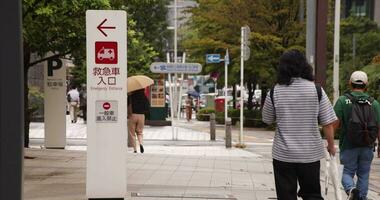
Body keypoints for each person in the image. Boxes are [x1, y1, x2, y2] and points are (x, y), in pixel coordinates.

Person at [262, 50, 337, 200]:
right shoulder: (316, 90)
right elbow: (328, 123)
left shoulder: (274, 91)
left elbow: (267, 119)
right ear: (304, 66)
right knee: (312, 195)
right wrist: (331, 145)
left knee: (286, 196)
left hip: (283, 154)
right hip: (310, 155)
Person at [333, 71, 380, 200]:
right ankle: (361, 198)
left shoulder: (343, 101)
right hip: (367, 145)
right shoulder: (374, 103)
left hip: (348, 145)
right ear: (366, 84)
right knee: (364, 174)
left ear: (350, 83)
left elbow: (334, 124)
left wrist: (330, 142)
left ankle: (351, 189)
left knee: (347, 172)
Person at [128, 89, 150, 153]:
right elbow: (147, 106)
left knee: (132, 134)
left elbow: (127, 105)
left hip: (133, 115)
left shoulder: (131, 97)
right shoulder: (144, 97)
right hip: (142, 116)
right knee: (140, 132)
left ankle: (135, 149)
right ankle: (141, 144)